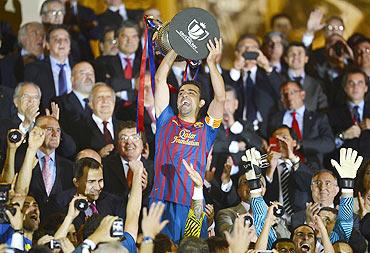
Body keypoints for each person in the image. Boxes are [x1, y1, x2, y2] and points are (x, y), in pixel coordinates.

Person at [150, 38, 225, 243]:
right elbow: (159, 79)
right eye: (181, 92)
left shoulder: (206, 129)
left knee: (194, 249)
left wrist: (212, 63)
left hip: (193, 203)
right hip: (161, 201)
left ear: (201, 103)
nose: (184, 95)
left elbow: (220, 99)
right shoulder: (166, 120)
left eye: (191, 93)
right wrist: (175, 49)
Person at [268, 81, 334, 170]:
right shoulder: (275, 119)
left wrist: (300, 144)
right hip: (281, 168)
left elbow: (329, 143)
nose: (289, 97)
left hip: (311, 167)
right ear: (282, 99)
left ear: (302, 94)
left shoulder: (318, 118)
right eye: (285, 94)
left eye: (292, 92)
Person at [46, 157, 126, 229]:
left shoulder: (115, 203)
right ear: (76, 182)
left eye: (100, 181)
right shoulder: (60, 203)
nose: (97, 187)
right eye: (91, 182)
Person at [102, 120, 154, 206]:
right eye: (123, 138)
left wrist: (145, 190)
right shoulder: (106, 167)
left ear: (143, 144)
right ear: (117, 144)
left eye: (135, 137)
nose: (129, 142)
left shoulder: (155, 168)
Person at [24, 25, 74, 109]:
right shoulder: (33, 69)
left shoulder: (80, 68)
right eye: (56, 39)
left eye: (65, 39)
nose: (61, 43)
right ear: (47, 44)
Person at [328, 68, 370, 161]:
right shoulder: (332, 114)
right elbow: (327, 145)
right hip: (345, 167)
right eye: (351, 83)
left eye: (360, 83)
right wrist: (343, 136)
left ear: (366, 88)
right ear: (345, 88)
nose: (355, 87)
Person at [70, 83, 122, 158]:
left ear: (114, 102)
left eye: (108, 97)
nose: (105, 101)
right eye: (100, 97)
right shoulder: (79, 127)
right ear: (91, 103)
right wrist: (98, 155)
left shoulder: (123, 127)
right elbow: (77, 158)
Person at [95, 20, 141, 102]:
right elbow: (107, 84)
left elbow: (149, 89)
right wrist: (134, 83)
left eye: (134, 36)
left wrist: (121, 92)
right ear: (116, 41)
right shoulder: (103, 62)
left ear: (138, 40)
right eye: (125, 37)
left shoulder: (147, 63)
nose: (130, 41)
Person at [282, 42, 328, 112]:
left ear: (306, 59)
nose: (296, 57)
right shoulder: (278, 81)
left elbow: (323, 109)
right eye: (292, 54)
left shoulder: (317, 85)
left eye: (299, 53)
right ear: (286, 59)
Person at [53, 61, 95, 134]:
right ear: (72, 79)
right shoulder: (59, 103)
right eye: (83, 73)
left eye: (91, 73)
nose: (88, 77)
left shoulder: (102, 102)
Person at [0, 22, 45, 89]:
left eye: (42, 34)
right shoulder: (5, 63)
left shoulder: (51, 62)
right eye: (34, 33)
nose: (40, 37)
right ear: (22, 39)